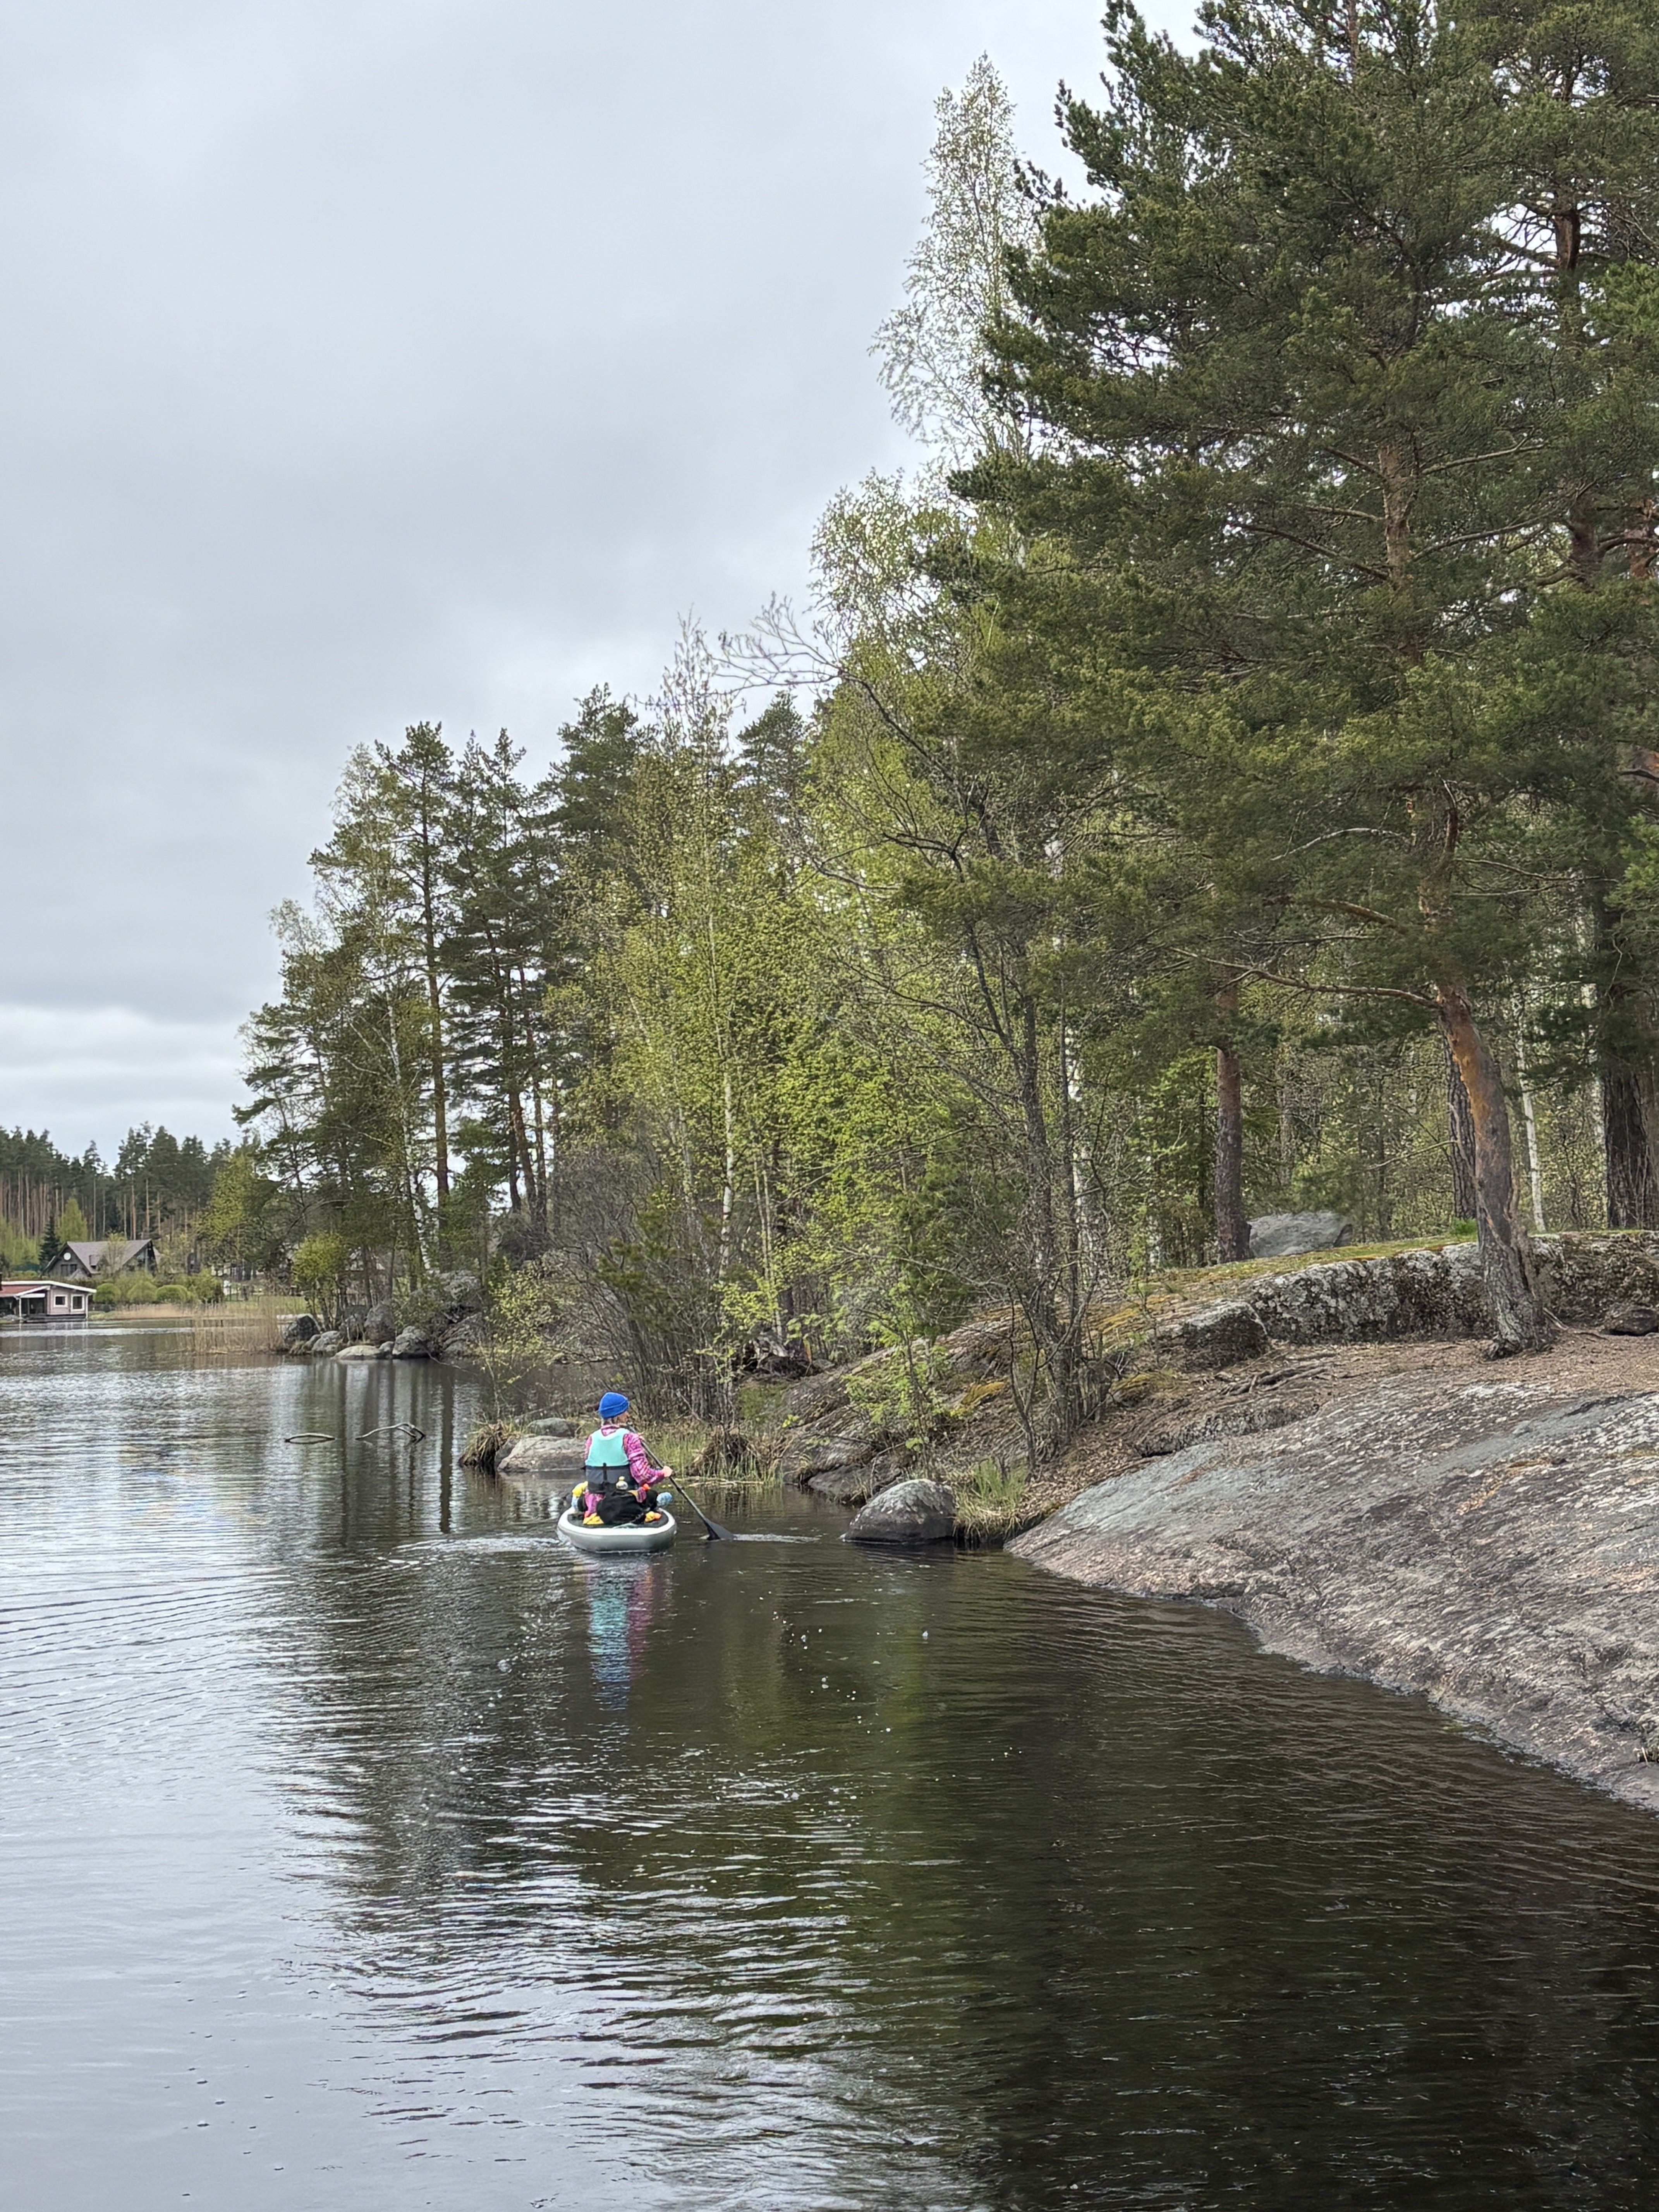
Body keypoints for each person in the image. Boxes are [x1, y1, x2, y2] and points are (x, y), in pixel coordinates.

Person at [573, 1392, 672, 1525]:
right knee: (656, 1495)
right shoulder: (630, 1438)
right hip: (626, 1500)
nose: (628, 1415)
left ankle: (578, 1504)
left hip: (596, 1504)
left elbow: (593, 1465)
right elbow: (643, 1476)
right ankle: (654, 1505)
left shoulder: (592, 1439)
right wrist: (663, 1473)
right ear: (618, 1415)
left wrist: (635, 1442)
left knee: (581, 1493)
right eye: (625, 1411)